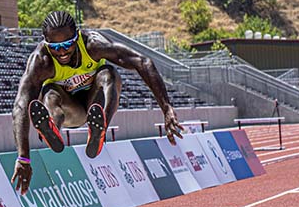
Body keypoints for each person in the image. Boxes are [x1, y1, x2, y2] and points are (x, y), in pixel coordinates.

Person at [10, 10, 184, 195]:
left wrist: (166, 108)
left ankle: (100, 128)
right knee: (49, 93)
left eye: (68, 44)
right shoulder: (41, 61)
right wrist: (23, 158)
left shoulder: (93, 44)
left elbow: (143, 62)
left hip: (96, 101)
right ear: (45, 42)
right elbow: (21, 105)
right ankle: (52, 126)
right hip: (71, 111)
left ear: (77, 37)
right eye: (55, 46)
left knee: (108, 73)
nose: (61, 52)